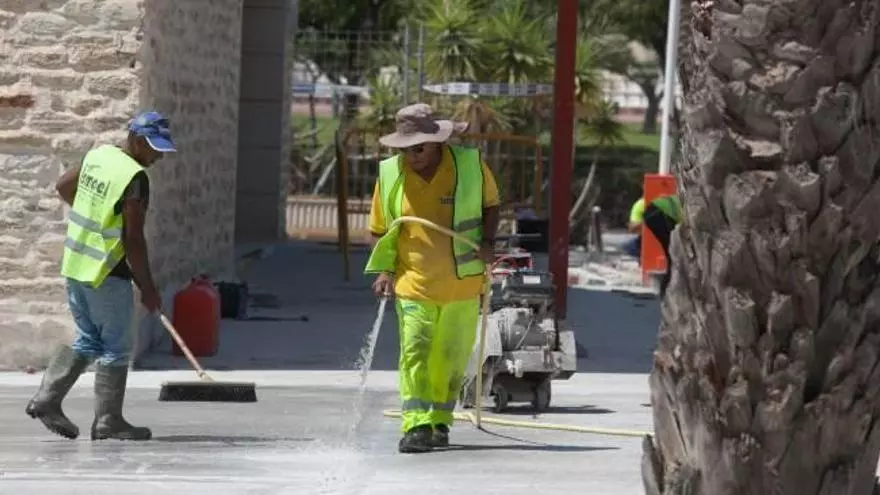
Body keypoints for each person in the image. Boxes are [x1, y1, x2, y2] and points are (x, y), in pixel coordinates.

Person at [26, 111, 175, 441]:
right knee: (116, 348)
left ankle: (47, 399)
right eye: (154, 148)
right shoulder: (135, 177)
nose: (159, 156)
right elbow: (133, 238)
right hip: (107, 272)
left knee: (89, 339)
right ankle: (108, 421)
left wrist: (92, 215)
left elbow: (64, 186)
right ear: (136, 141)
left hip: (77, 264)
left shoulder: (99, 156)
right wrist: (149, 287)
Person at [365, 103, 500, 454]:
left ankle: (440, 422)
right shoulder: (390, 174)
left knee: (451, 356)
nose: (412, 156)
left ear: (438, 142)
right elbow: (381, 229)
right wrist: (384, 270)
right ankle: (416, 426)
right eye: (405, 150)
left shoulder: (469, 166)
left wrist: (487, 244)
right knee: (416, 349)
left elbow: (491, 205)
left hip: (462, 283)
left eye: (419, 148)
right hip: (414, 283)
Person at [640, 193, 682, 296]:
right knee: (671, 254)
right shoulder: (687, 209)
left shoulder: (681, 199)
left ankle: (665, 288)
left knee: (669, 251)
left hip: (651, 212)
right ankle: (666, 290)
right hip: (659, 214)